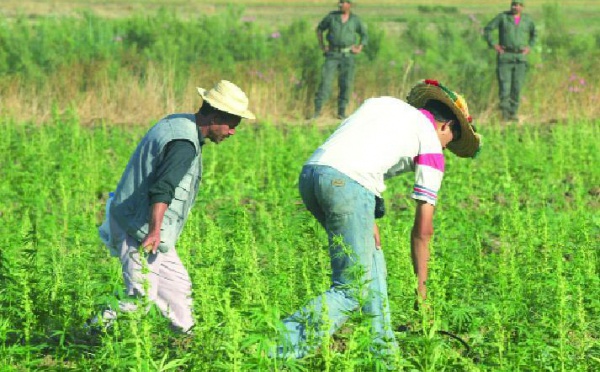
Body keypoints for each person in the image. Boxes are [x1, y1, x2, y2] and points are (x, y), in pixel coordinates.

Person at [275, 79, 481, 360]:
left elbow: (357, 149)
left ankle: (384, 356)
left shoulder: (383, 105)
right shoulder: (432, 144)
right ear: (446, 126)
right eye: (451, 141)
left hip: (313, 175)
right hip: (348, 185)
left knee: (373, 265)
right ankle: (274, 350)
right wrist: (422, 291)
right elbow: (423, 231)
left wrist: (367, 213)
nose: (446, 148)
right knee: (350, 289)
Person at [90, 80, 255, 333]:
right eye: (231, 125)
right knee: (140, 296)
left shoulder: (179, 123)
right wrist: (154, 231)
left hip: (147, 226)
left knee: (177, 288)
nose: (232, 132)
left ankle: (187, 340)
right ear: (215, 116)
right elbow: (162, 188)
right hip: (141, 228)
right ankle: (92, 332)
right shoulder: (184, 144)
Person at [312, 0, 368, 120]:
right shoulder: (332, 17)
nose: (340, 5)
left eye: (343, 2)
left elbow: (364, 35)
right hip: (332, 54)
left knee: (346, 83)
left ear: (350, 5)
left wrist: (359, 47)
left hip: (348, 55)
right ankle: (317, 111)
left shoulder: (355, 20)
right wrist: (322, 45)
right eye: (340, 2)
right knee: (325, 82)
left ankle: (341, 112)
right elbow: (319, 29)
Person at [484, 1, 537, 121]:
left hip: (520, 57)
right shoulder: (503, 17)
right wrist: (494, 45)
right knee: (505, 86)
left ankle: (513, 114)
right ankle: (504, 115)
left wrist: (530, 47)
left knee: (517, 87)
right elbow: (487, 29)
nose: (515, 7)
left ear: (522, 7)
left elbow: (534, 34)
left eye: (518, 5)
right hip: (505, 56)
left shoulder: (527, 20)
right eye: (514, 4)